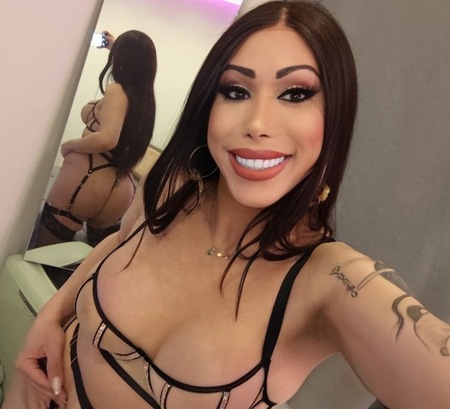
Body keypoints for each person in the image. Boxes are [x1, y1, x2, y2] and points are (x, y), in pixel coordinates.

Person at [4, 1, 450, 408]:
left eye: (296, 93)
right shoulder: (173, 188)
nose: (257, 123)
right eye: (236, 90)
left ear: (336, 112)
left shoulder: (329, 282)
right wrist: (52, 315)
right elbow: (119, 244)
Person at [35, 29, 157, 248]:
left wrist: (71, 146)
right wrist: (115, 46)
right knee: (87, 263)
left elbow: (107, 139)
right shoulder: (144, 100)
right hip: (121, 189)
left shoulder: (116, 91)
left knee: (41, 256)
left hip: (87, 179)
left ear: (122, 59)